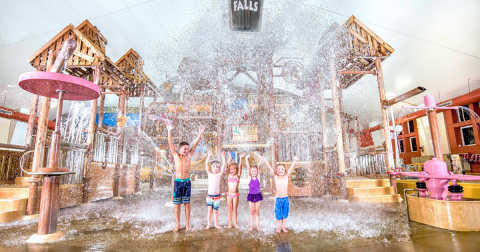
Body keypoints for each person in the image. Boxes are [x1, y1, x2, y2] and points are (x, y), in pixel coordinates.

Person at [167, 122, 205, 232]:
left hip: (187, 183)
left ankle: (187, 224)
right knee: (177, 205)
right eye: (184, 148)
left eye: (188, 148)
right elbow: (170, 144)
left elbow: (196, 144)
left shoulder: (189, 156)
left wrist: (200, 133)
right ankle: (178, 224)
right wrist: (169, 130)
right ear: (179, 149)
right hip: (178, 182)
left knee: (187, 204)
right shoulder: (176, 156)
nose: (186, 150)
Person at [263, 155, 297, 233]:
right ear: (276, 171)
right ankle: (278, 227)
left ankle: (283, 227)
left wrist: (294, 160)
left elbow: (291, 168)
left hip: (285, 199)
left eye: (282, 169)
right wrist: (266, 161)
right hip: (278, 199)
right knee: (278, 214)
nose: (280, 170)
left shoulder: (286, 176)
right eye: (278, 169)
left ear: (285, 170)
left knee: (285, 213)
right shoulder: (276, 177)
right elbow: (270, 169)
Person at [204, 149, 226, 230]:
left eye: (217, 167)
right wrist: (209, 156)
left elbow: (224, 165)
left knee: (215, 211)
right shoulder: (209, 174)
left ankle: (216, 224)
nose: (215, 168)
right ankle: (209, 224)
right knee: (209, 211)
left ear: (219, 168)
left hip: (217, 197)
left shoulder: (219, 175)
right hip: (209, 196)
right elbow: (206, 164)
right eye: (214, 166)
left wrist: (223, 157)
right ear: (211, 168)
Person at [226, 152, 244, 228]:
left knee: (234, 209)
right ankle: (230, 223)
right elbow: (227, 166)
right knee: (229, 209)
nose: (231, 171)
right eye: (230, 169)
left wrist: (241, 158)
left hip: (235, 195)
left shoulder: (238, 176)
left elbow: (240, 167)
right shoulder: (228, 175)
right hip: (229, 194)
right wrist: (229, 158)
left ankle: (235, 223)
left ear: (236, 170)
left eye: (233, 169)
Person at [245, 154, 263, 231]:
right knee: (252, 212)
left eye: (255, 171)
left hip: (257, 195)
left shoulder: (258, 177)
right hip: (251, 196)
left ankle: (258, 226)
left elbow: (259, 166)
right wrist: (246, 159)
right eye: (252, 171)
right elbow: (248, 167)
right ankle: (252, 226)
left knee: (257, 212)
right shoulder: (249, 178)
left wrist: (260, 158)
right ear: (250, 172)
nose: (254, 172)